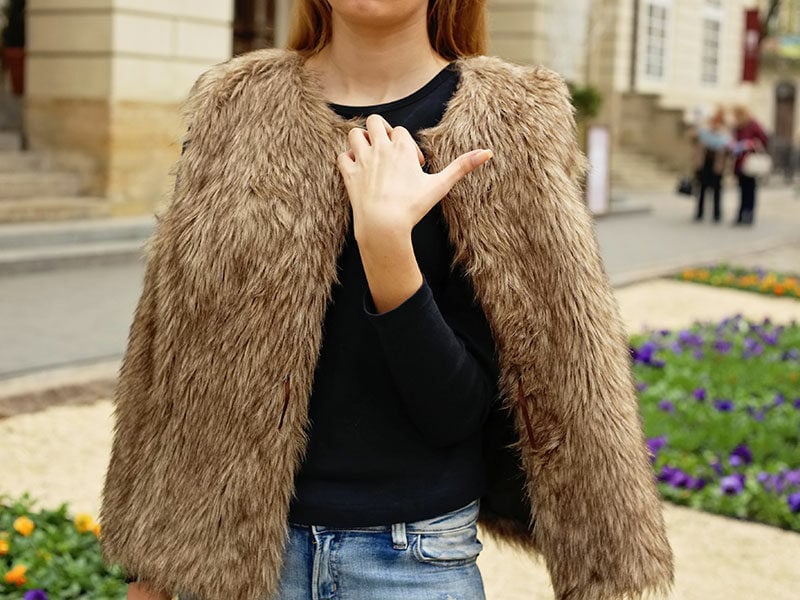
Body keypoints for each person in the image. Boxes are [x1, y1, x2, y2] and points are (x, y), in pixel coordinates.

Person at [100, 1, 673, 599]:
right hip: (225, 565)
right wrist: (155, 566)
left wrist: (386, 247)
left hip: (411, 565)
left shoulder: (511, 120)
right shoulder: (233, 106)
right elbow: (170, 349)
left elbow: (466, 408)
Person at [731, 105, 769, 226]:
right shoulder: (737, 126)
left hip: (751, 162)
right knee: (742, 190)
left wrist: (752, 144)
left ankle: (749, 215)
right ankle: (740, 214)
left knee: (750, 190)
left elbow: (764, 139)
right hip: (740, 162)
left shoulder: (753, 125)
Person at [692, 108, 730, 223]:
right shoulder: (703, 133)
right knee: (702, 190)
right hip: (704, 165)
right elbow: (692, 138)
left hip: (717, 167)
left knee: (717, 191)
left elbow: (728, 151)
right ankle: (699, 213)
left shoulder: (724, 136)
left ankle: (717, 214)